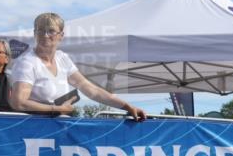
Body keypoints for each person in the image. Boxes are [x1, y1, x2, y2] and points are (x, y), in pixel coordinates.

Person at [8, 13, 146, 120]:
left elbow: (92, 90)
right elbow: (18, 103)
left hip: (58, 127)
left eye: (51, 31)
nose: (45, 35)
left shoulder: (62, 58)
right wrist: (57, 109)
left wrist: (127, 106)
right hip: (32, 132)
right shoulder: (27, 62)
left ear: (61, 35)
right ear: (34, 33)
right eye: (40, 30)